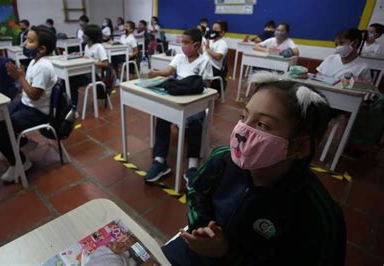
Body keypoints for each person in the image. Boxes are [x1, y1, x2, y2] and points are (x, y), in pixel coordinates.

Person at [162, 71, 346, 266]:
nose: (241, 131)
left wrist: (226, 252)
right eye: (243, 116)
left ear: (299, 147)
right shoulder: (222, 159)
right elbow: (196, 191)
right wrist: (202, 227)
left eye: (262, 125)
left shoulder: (317, 217)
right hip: (195, 252)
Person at [145, 28, 213, 182]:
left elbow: (207, 87)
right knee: (162, 117)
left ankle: (192, 166)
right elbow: (169, 71)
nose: (183, 46)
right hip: (177, 97)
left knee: (195, 121)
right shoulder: (179, 57)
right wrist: (156, 73)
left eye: (186, 43)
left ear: (196, 45)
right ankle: (160, 162)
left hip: (195, 100)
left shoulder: (204, 61)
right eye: (182, 42)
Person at [0, 26, 57, 183]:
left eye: (30, 40)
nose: (25, 43)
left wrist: (19, 77)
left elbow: (34, 95)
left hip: (37, 112)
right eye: (26, 39)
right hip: (25, 103)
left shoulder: (43, 67)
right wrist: (17, 78)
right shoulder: (35, 62)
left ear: (41, 48)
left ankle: (20, 162)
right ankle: (24, 142)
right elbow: (27, 89)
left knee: (0, 129)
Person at [69, 24, 108, 106]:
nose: (83, 36)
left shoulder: (99, 47)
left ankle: (73, 107)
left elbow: (105, 63)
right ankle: (72, 105)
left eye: (85, 34)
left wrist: (92, 63)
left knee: (72, 83)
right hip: (86, 73)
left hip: (95, 75)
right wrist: (79, 56)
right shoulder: (87, 46)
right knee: (69, 79)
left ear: (91, 36)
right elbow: (87, 58)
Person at [204, 20, 228, 93]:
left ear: (222, 32)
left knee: (201, 71)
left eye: (216, 29)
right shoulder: (210, 41)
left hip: (214, 68)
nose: (213, 31)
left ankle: (205, 95)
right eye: (212, 28)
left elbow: (218, 57)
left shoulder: (222, 43)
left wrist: (207, 49)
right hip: (205, 64)